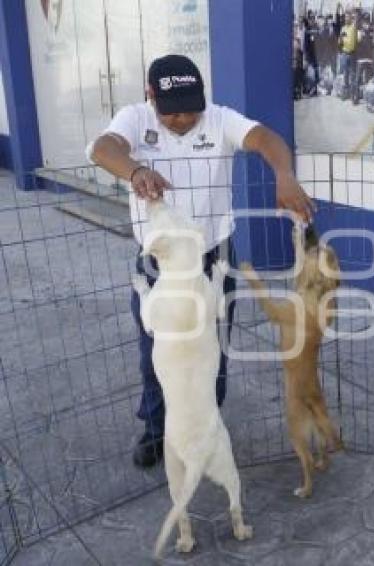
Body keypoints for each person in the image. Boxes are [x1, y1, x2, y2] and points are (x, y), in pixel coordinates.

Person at [87, 54, 315, 468]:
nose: (184, 120)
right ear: (150, 96)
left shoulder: (219, 118)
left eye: (192, 109)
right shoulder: (135, 119)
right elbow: (103, 149)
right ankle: (158, 431)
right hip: (163, 265)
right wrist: (135, 171)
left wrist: (284, 174)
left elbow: (266, 139)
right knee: (158, 350)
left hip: (214, 258)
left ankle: (208, 424)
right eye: (173, 113)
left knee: (213, 348)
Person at [338, 11, 359, 97]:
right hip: (344, 54)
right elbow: (340, 41)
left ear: (351, 18)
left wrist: (354, 9)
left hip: (352, 54)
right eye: (346, 17)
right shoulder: (343, 28)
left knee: (353, 75)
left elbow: (357, 19)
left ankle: (353, 95)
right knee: (345, 74)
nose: (347, 19)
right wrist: (340, 41)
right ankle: (345, 93)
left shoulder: (353, 27)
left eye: (348, 17)